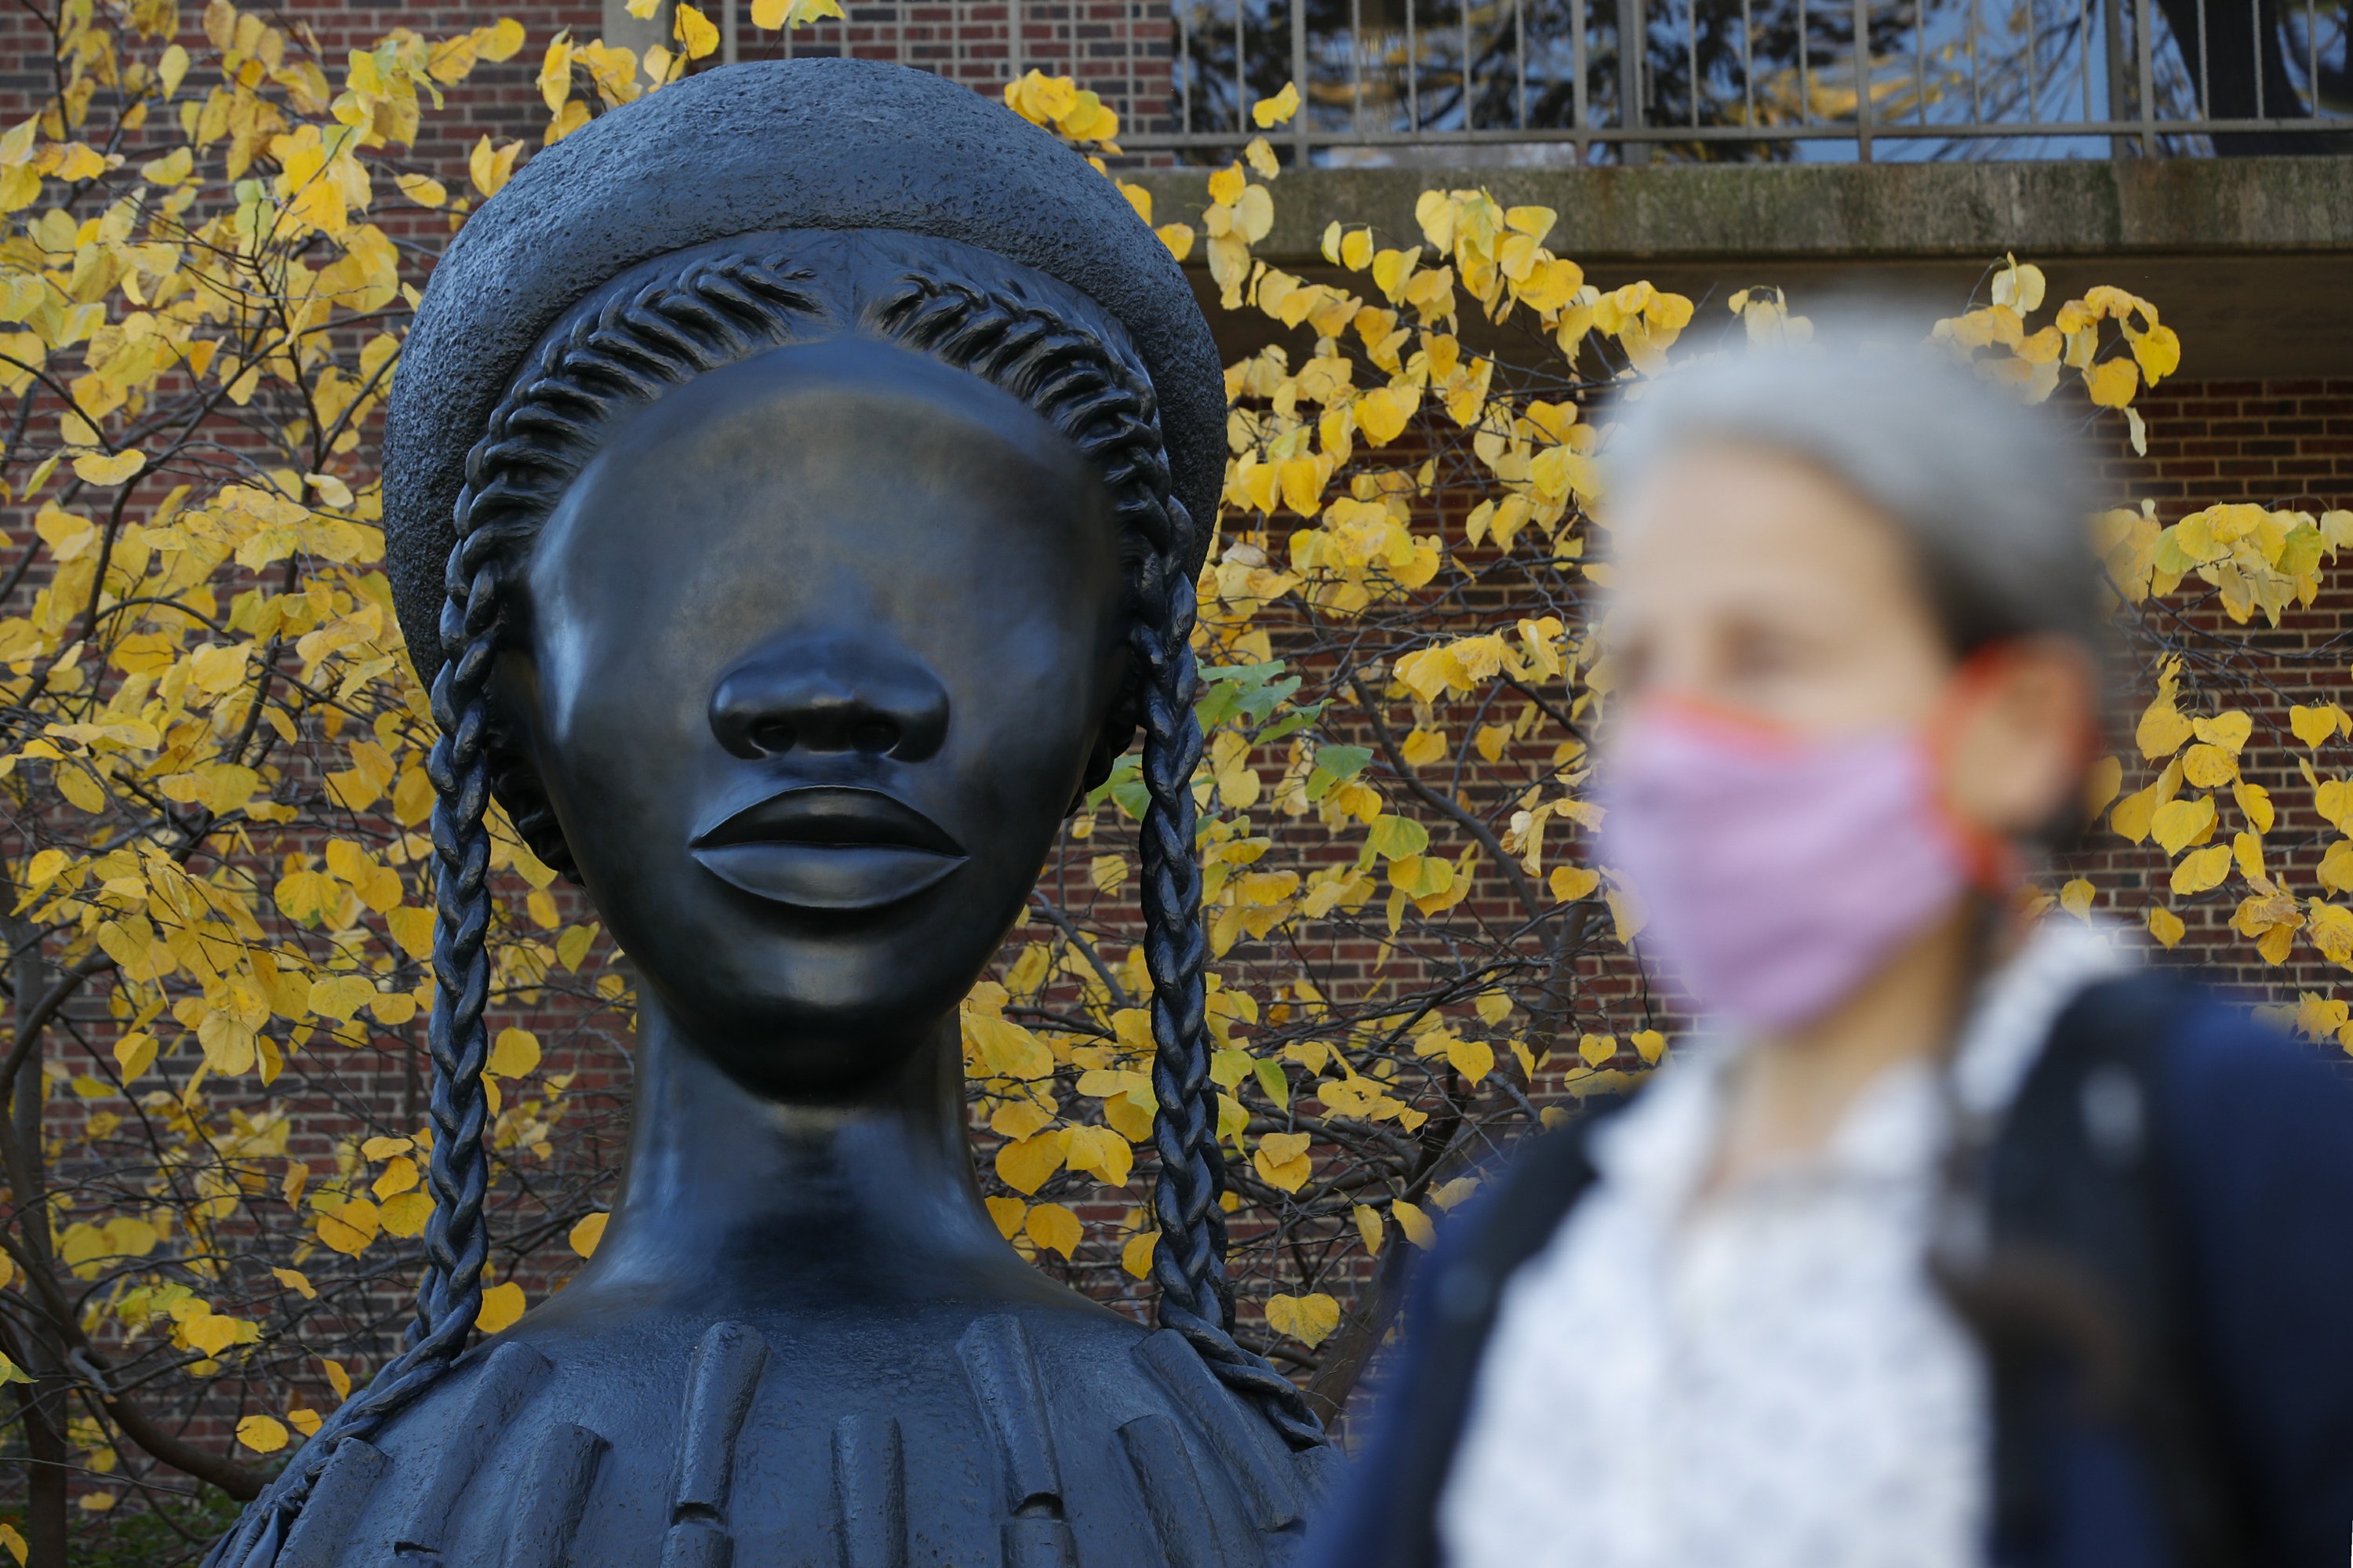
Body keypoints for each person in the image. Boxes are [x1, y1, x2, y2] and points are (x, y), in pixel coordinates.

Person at [208, 59, 1329, 1568]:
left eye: (963, 590)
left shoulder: (1281, 1505)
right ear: (524, 708)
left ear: (1097, 716)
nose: (834, 688)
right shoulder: (365, 1522)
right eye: (701, 586)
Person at [1307, 320, 2353, 1568]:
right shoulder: (1527, 1237)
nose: (1674, 741)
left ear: (2017, 726)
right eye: (1639, 666)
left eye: (1768, 654)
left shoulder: (2218, 1140)